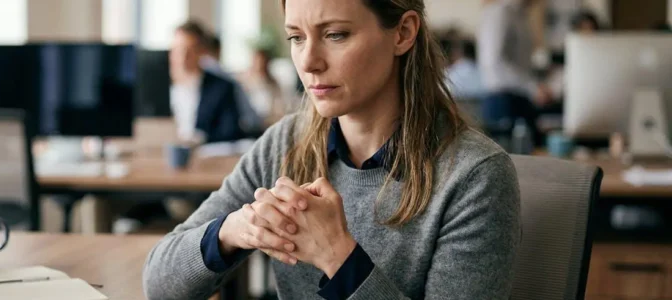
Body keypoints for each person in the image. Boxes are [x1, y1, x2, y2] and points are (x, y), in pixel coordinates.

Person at [143, 0, 521, 298]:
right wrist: (234, 229)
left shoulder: (476, 175)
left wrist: (338, 257)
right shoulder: (285, 143)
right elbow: (159, 284)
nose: (308, 62)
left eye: (336, 34)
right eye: (296, 37)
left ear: (403, 33)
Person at [478, 0, 550, 145]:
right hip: (503, 102)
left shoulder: (521, 14)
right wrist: (533, 87)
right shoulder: (500, 12)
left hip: (520, 98)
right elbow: (494, 61)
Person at [169, 21, 245, 144]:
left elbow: (230, 132)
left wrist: (200, 139)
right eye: (177, 50)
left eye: (190, 50)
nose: (182, 57)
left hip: (206, 157)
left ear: (202, 52)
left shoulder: (221, 88)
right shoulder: (156, 87)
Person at [239, 49, 286, 126]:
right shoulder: (244, 81)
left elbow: (279, 106)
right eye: (257, 61)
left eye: (262, 61)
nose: (259, 64)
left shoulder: (273, 83)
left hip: (269, 121)